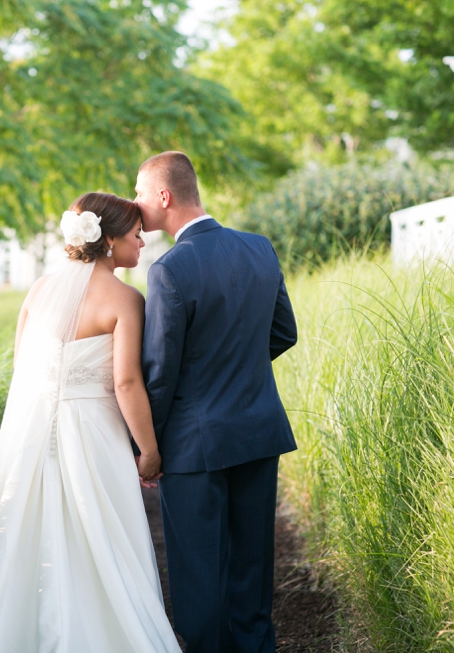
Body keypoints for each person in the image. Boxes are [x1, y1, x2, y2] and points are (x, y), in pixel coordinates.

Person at [0, 192, 181, 653]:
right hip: (94, 435)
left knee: (29, 537)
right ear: (109, 241)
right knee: (101, 539)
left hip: (34, 435)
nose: (143, 243)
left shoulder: (38, 291)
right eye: (136, 235)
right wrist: (149, 451)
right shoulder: (127, 299)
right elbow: (127, 382)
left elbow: (22, 368)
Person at [135, 151, 298, 653]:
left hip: (193, 443)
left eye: (140, 192)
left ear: (164, 196)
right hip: (258, 430)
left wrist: (149, 446)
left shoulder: (169, 269)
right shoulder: (258, 248)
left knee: (199, 578)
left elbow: (160, 372)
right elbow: (284, 333)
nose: (136, 204)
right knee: (252, 569)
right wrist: (239, 369)